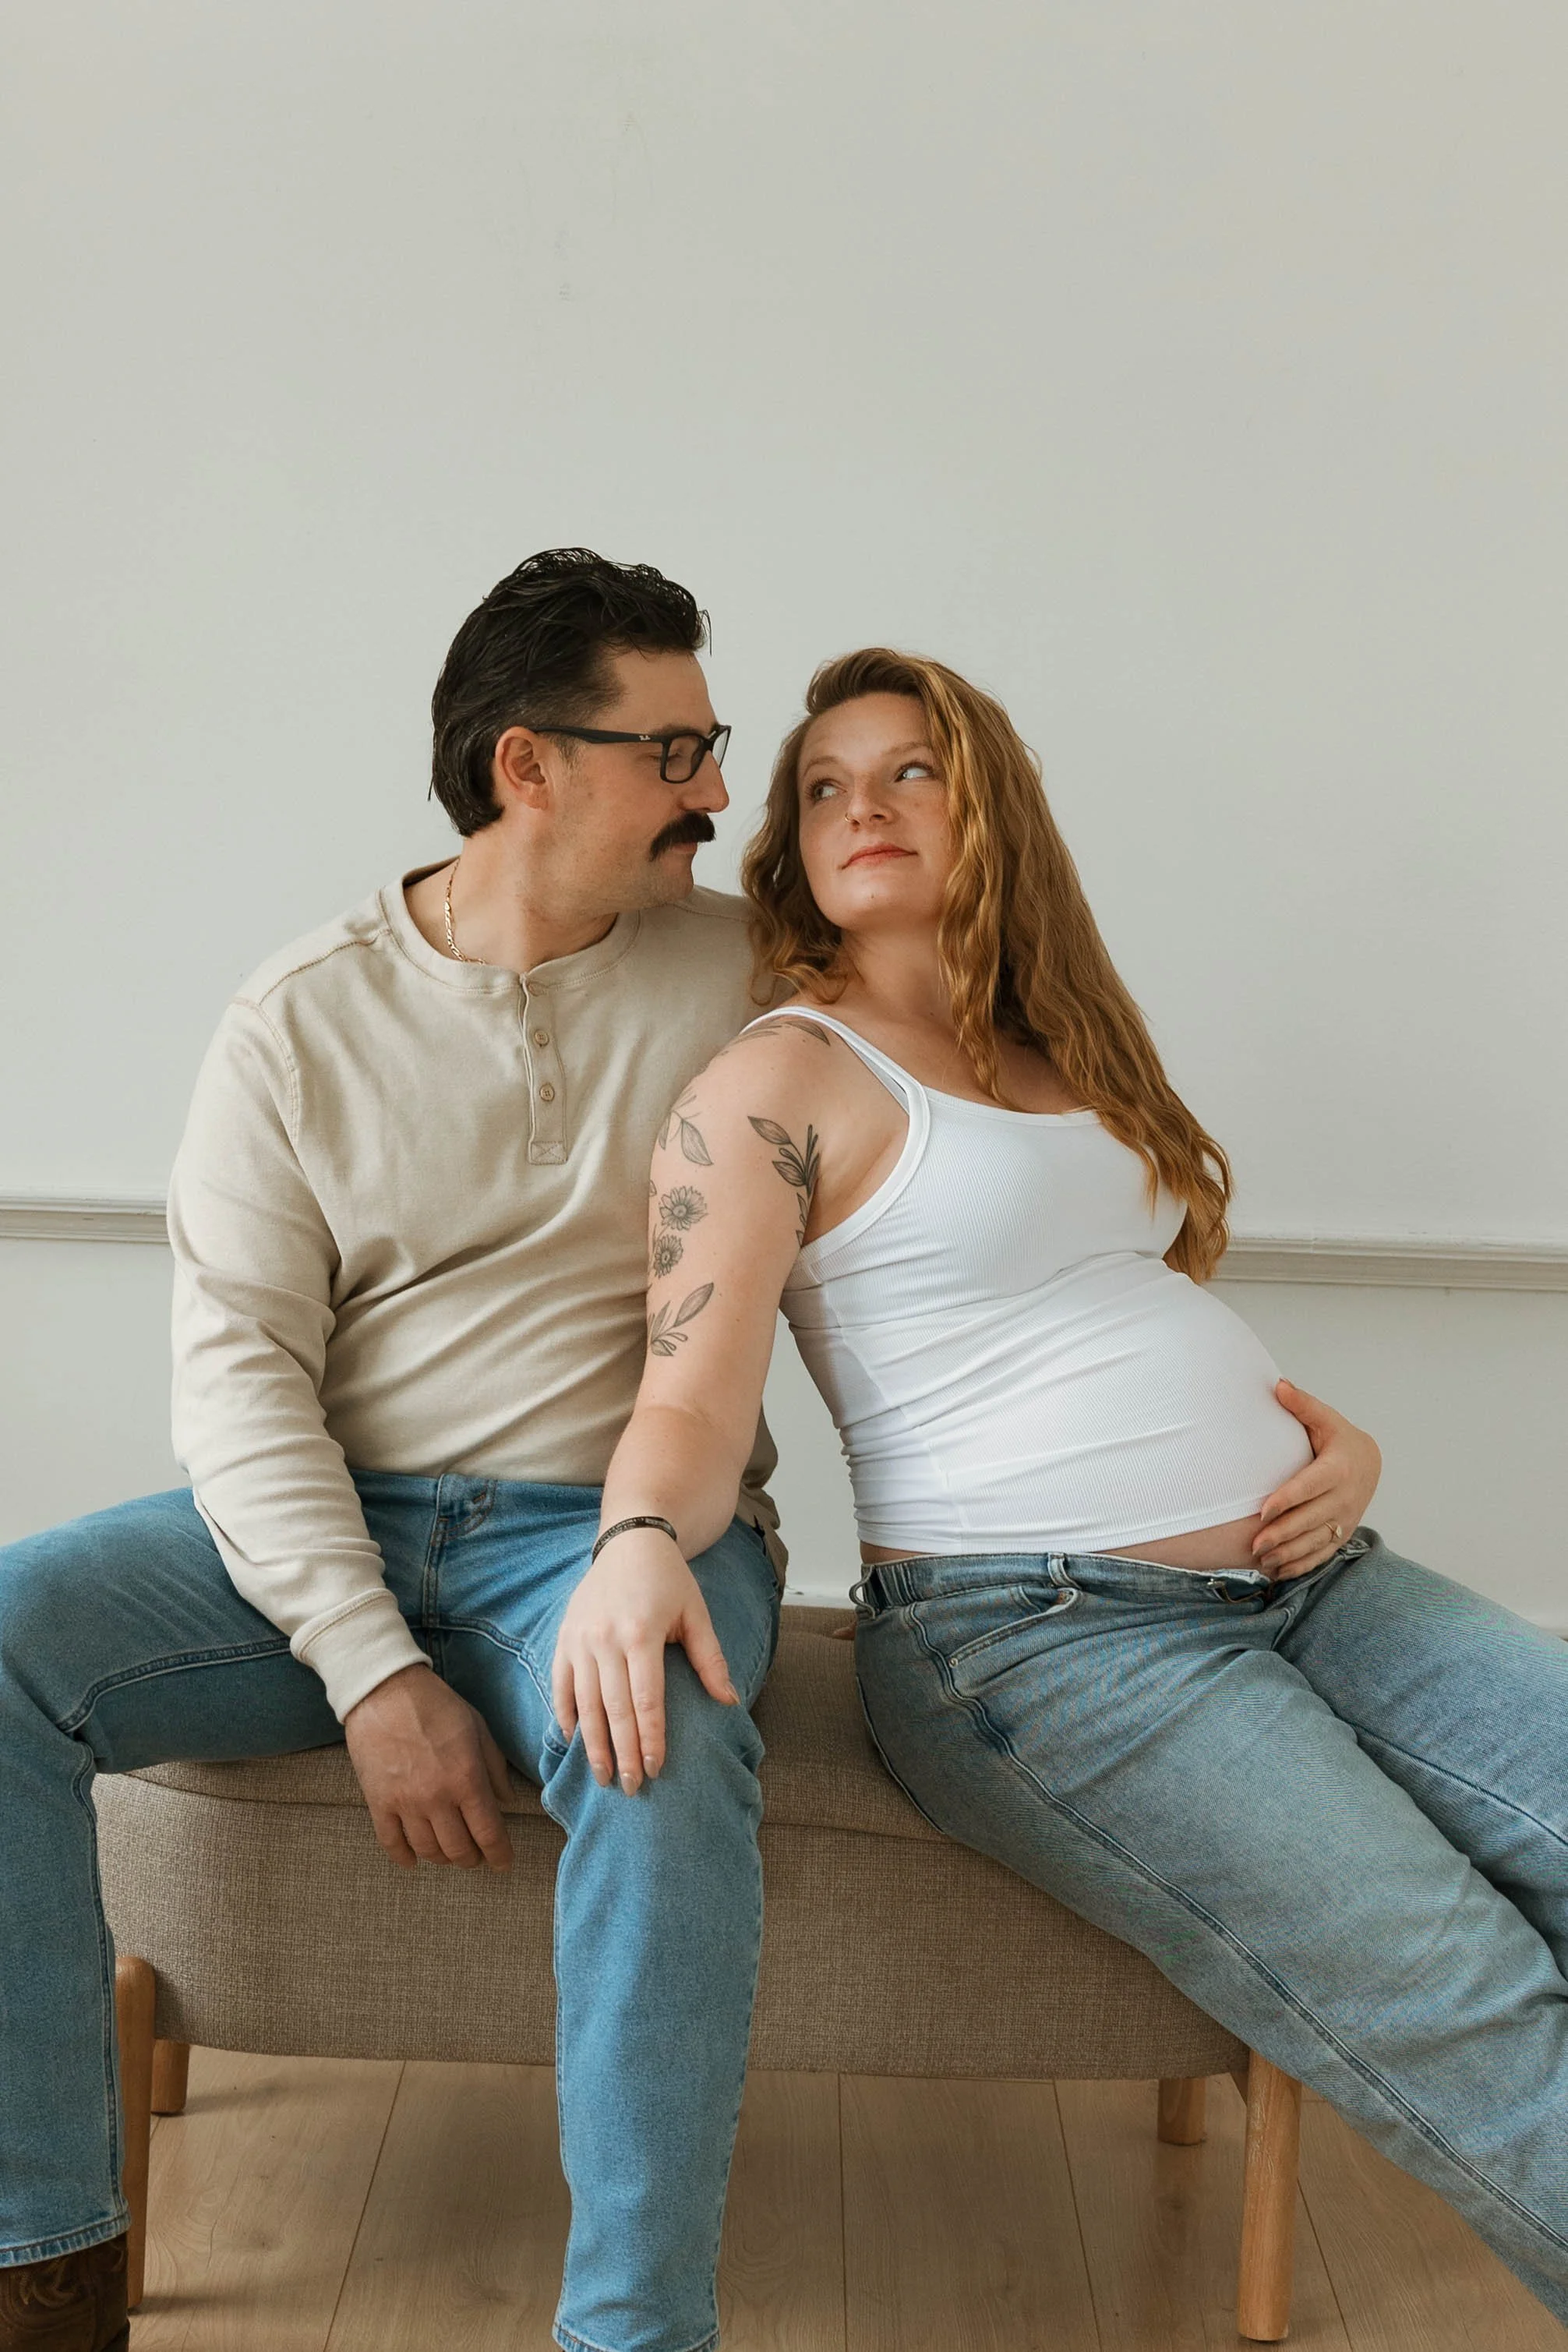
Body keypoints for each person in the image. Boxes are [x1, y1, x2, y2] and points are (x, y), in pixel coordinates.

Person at [572, 647, 1568, 2325]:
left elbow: (1118, 1308)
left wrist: (1340, 1448)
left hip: (1316, 1577)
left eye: (910, 771)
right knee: (1463, 1992)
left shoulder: (1061, 1042)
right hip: (1046, 1645)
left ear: (990, 805)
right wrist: (632, 1540)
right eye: (823, 787)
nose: (863, 807)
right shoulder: (775, 1085)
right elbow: (687, 1391)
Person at [0, 550, 786, 2352]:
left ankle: (635, 2333)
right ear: (528, 767)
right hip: (329, 1522)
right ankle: (40, 2261)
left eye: (713, 744)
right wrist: (368, 1668)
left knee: (660, 1741)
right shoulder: (299, 1020)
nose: (717, 793)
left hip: (612, 1533)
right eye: (674, 752)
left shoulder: (752, 977)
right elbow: (241, 1385)